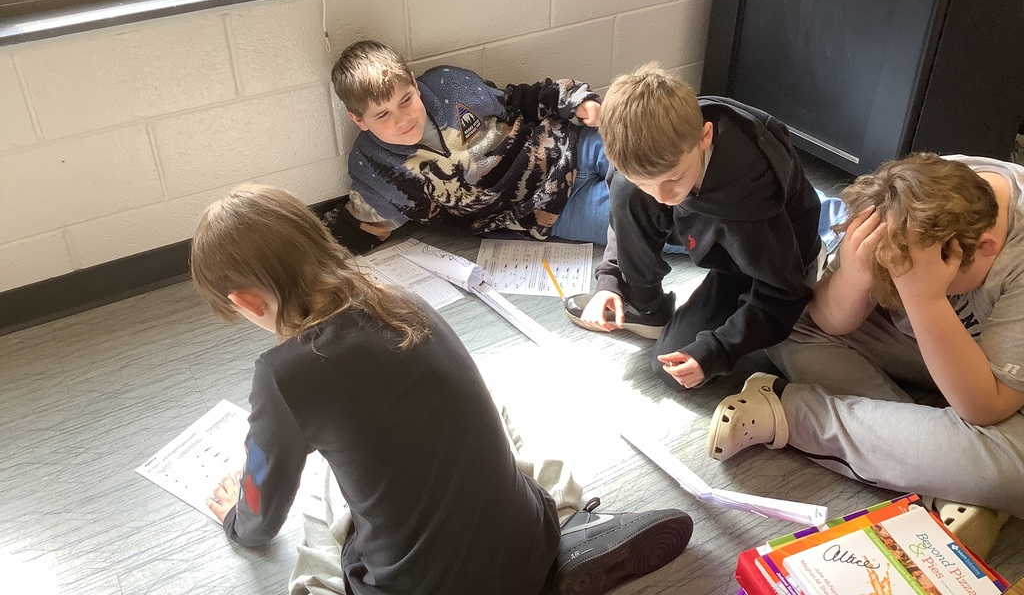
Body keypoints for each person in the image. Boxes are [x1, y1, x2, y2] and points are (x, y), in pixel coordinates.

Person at [190, 184, 694, 595]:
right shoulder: (404, 299)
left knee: (322, 508)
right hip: (530, 540)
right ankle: (566, 542)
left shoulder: (282, 374)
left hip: (415, 586)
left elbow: (262, 514)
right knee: (494, 420)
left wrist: (239, 516)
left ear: (247, 301)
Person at [706, 153, 1024, 558]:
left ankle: (797, 415)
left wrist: (924, 298)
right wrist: (854, 278)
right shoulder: (900, 201)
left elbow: (987, 405)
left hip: (1004, 391)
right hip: (933, 352)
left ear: (985, 249)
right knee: (784, 325)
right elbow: (826, 320)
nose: (898, 288)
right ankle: (950, 474)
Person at [566, 63, 823, 389]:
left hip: (772, 267)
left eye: (673, 179)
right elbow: (631, 206)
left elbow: (783, 294)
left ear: (705, 136)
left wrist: (716, 350)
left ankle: (811, 267)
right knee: (626, 192)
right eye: (648, 183)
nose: (662, 196)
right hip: (715, 235)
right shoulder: (661, 152)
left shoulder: (747, 208)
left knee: (673, 368)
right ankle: (643, 304)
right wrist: (611, 280)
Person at [325, 40, 611, 254]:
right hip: (546, 207)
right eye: (383, 115)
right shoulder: (373, 167)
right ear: (358, 119)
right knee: (635, 226)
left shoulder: (449, 84)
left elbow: (517, 99)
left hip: (568, 144)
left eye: (405, 100)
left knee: (649, 165)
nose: (403, 120)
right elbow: (358, 229)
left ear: (414, 82)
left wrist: (572, 100)